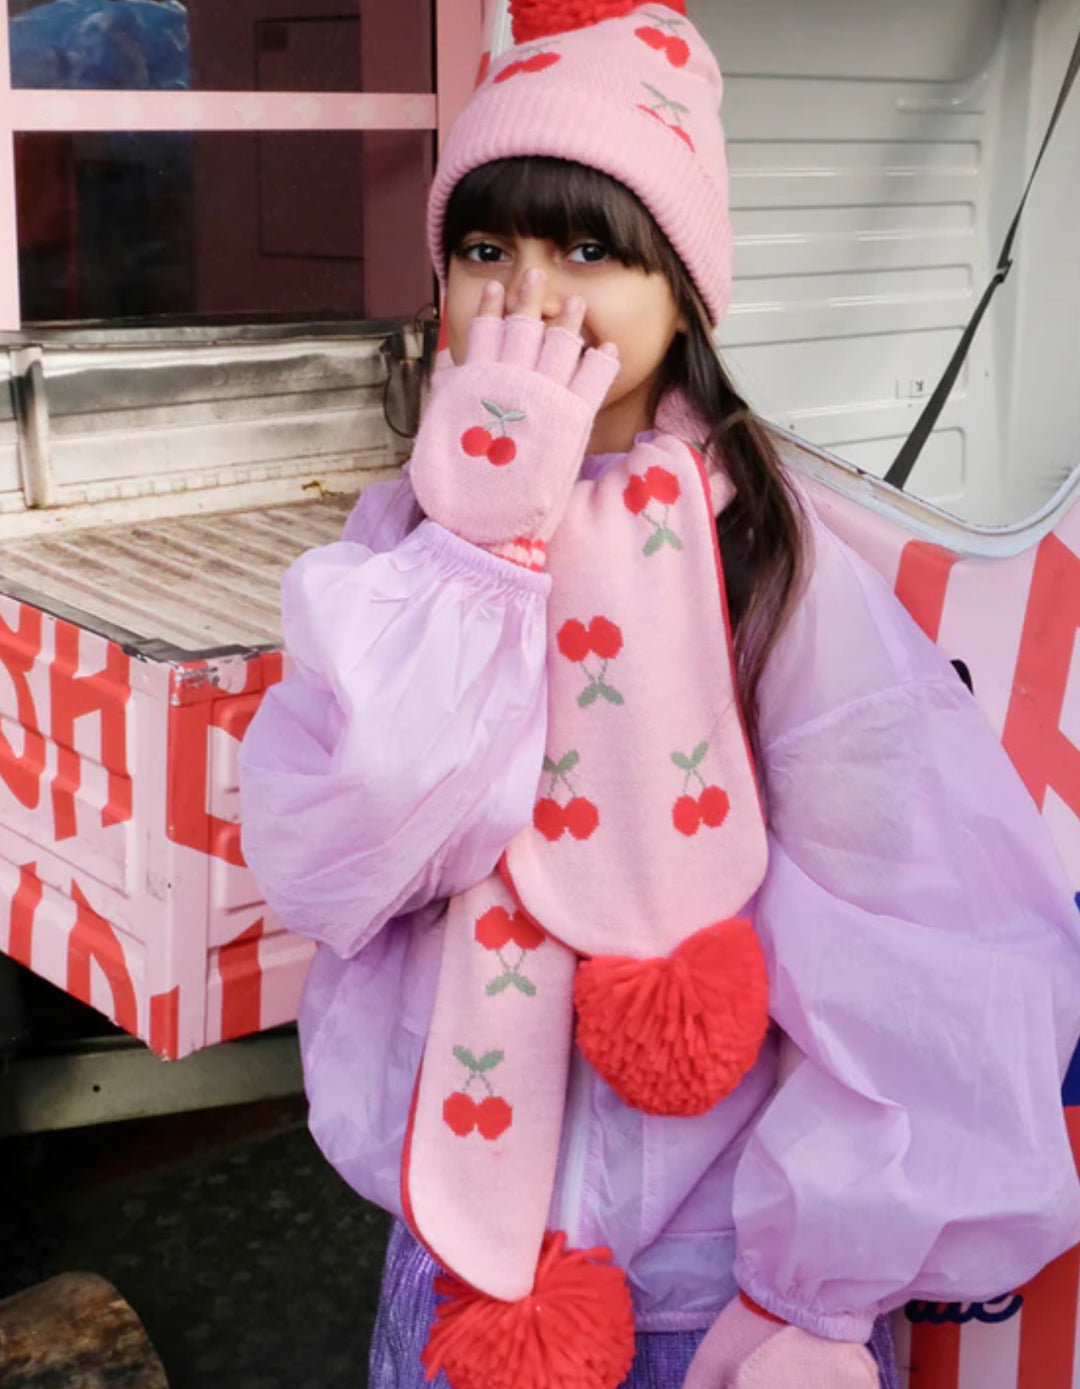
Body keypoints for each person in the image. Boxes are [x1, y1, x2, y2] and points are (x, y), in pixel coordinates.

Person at [238, 3, 1080, 1386]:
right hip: (467, 1248)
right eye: (485, 246)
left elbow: (922, 943)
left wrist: (814, 1288)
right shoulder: (400, 549)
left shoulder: (769, 565)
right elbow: (347, 850)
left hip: (707, 1276)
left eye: (588, 246)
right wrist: (480, 554)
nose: (529, 293)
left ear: (683, 284)